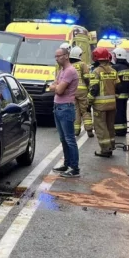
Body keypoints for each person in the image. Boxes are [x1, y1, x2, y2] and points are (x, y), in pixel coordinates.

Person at [48, 45, 80, 177]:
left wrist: (55, 87)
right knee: (63, 139)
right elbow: (53, 86)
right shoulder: (62, 70)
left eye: (58, 56)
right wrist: (55, 86)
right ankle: (67, 164)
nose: (56, 59)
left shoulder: (69, 71)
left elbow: (59, 90)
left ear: (66, 56)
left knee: (69, 139)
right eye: (55, 56)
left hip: (65, 107)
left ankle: (74, 168)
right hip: (58, 106)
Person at [89, 47, 119, 157]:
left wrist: (88, 102)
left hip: (100, 106)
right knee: (110, 126)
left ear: (96, 58)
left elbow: (94, 89)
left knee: (101, 127)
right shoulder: (113, 71)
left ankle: (105, 150)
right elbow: (117, 86)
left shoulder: (96, 72)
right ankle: (111, 146)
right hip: (112, 105)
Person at [69, 46, 93, 138]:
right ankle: (89, 130)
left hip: (72, 91)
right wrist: (88, 86)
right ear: (79, 55)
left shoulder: (69, 65)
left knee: (76, 111)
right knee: (85, 110)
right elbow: (86, 77)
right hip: (82, 91)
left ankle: (76, 130)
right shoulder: (83, 64)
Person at [111, 47, 129, 137]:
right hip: (125, 94)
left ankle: (118, 131)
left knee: (117, 113)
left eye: (114, 55)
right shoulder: (128, 67)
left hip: (117, 94)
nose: (114, 57)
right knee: (123, 112)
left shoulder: (115, 68)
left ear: (118, 56)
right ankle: (123, 130)